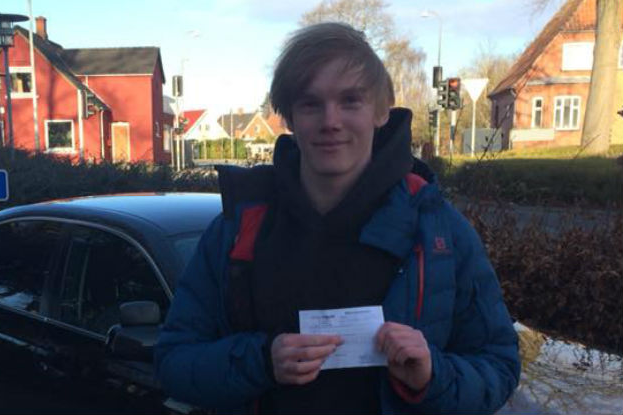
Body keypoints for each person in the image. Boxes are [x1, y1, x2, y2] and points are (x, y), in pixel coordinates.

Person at [155, 22, 519, 414]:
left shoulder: (439, 233)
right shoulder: (238, 228)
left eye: (350, 101)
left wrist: (432, 376)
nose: (330, 121)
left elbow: (499, 366)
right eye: (311, 104)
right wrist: (260, 361)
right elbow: (174, 361)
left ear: (381, 111)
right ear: (290, 117)